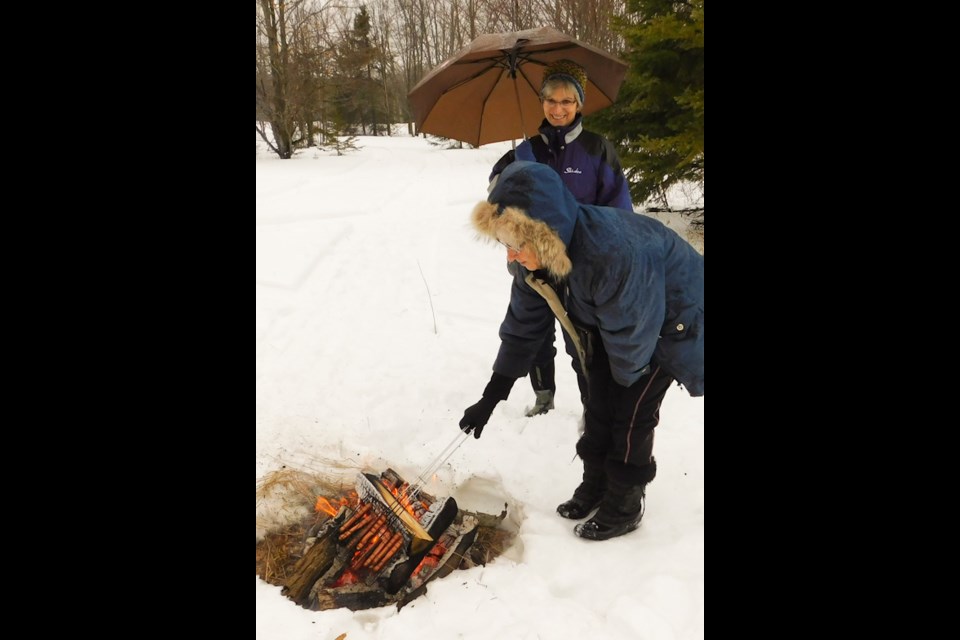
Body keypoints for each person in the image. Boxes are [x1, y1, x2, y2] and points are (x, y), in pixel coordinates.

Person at [458, 161, 704, 541]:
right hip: (618, 319)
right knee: (597, 402)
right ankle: (597, 484)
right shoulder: (534, 261)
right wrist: (494, 393)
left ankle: (624, 504)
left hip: (670, 320)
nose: (509, 256)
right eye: (503, 244)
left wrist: (618, 386)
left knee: (631, 410)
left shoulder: (613, 254)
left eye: (514, 245)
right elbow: (524, 327)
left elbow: (634, 336)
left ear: (543, 237)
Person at [488, 59, 632, 417]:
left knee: (584, 342)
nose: (558, 109)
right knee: (533, 335)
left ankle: (592, 406)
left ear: (579, 104)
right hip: (533, 262)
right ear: (541, 102)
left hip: (582, 268)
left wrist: (608, 258)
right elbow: (498, 202)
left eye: (567, 101)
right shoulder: (524, 153)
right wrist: (510, 240)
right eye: (551, 100)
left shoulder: (598, 150)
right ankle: (544, 394)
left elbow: (619, 212)